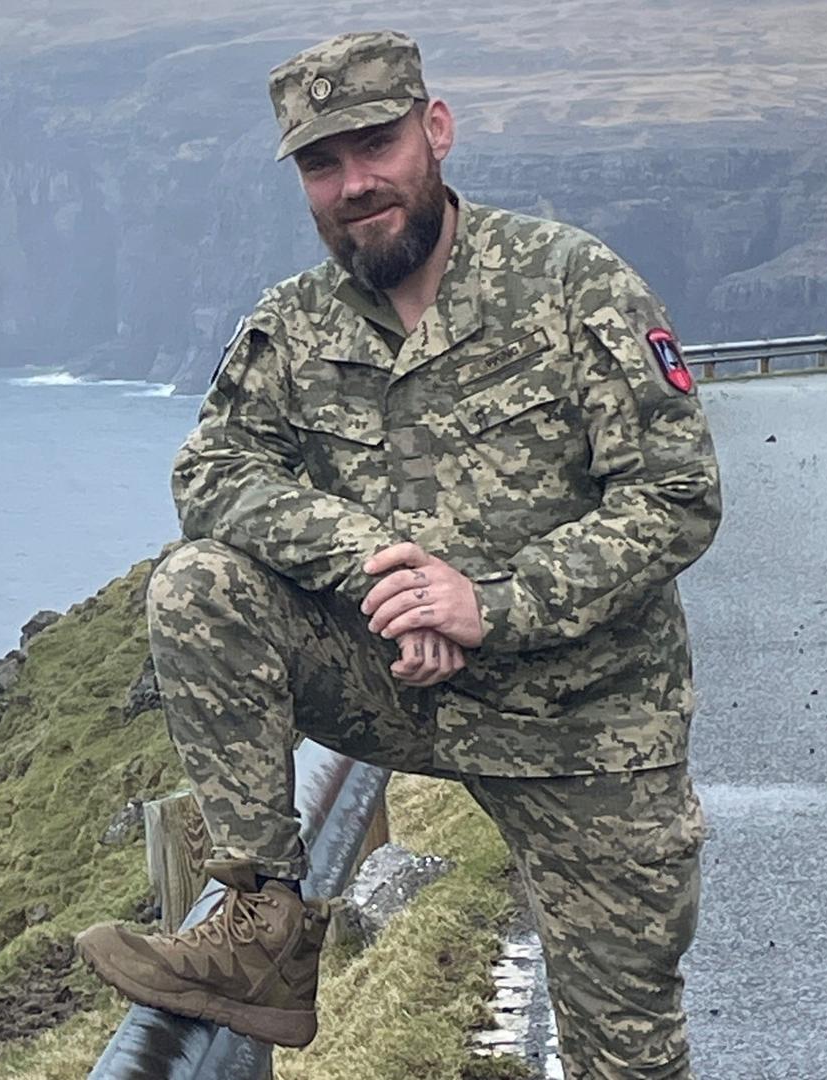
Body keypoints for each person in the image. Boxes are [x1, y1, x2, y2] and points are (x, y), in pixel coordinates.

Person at [74, 29, 722, 1080]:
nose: (353, 184)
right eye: (321, 165)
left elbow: (678, 497)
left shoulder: (572, 285)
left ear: (436, 132)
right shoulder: (293, 325)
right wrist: (382, 564)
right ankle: (266, 930)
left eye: (373, 146)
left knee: (628, 1060)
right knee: (200, 587)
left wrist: (487, 604)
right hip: (405, 690)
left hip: (588, 726)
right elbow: (212, 474)